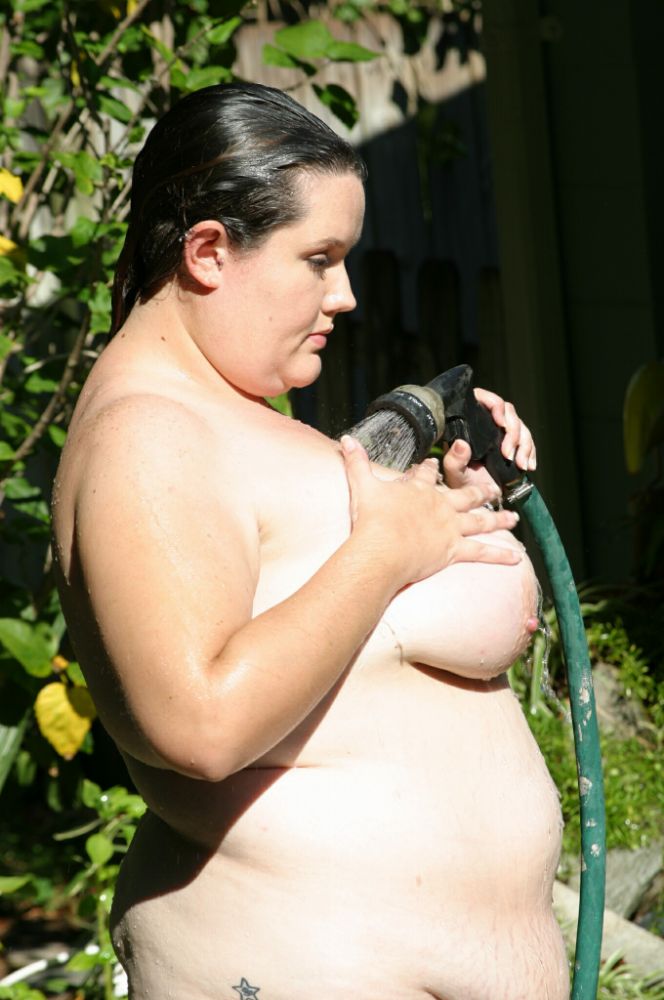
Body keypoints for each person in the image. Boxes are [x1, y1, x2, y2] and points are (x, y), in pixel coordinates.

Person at [51, 82, 568, 1000]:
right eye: (319, 259)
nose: (347, 295)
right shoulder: (147, 435)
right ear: (210, 252)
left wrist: (454, 505)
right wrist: (388, 554)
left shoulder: (223, 419)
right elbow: (200, 721)